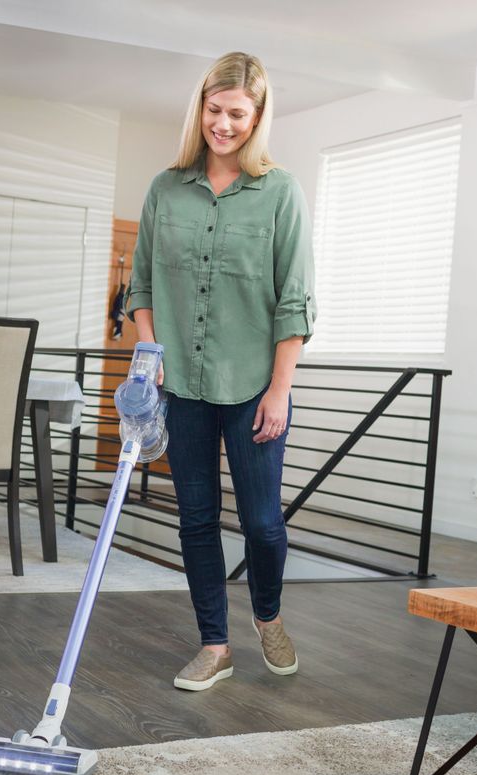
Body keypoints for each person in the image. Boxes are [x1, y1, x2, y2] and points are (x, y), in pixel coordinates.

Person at [125, 51, 316, 691]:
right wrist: (151, 355)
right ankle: (214, 643)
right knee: (196, 520)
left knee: (263, 523)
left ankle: (268, 614)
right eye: (215, 110)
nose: (224, 125)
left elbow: (295, 300)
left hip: (254, 388)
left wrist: (281, 390)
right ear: (200, 108)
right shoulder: (165, 189)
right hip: (181, 387)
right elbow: (142, 285)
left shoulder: (281, 192)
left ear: (258, 117)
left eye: (238, 114)